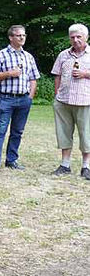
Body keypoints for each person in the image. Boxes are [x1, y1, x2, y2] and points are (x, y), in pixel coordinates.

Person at [0, 25, 39, 172]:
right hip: (6, 98)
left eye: (23, 35)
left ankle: (12, 160)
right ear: (11, 37)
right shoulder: (1, 55)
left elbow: (33, 78)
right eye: (18, 35)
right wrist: (9, 73)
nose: (22, 37)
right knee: (0, 130)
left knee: (17, 131)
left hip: (24, 99)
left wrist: (30, 96)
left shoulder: (28, 56)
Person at [50, 23, 90, 179]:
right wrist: (56, 96)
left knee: (86, 134)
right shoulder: (63, 55)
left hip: (85, 101)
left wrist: (85, 73)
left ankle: (86, 166)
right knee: (63, 134)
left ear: (86, 37)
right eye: (72, 37)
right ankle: (65, 164)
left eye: (79, 36)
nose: (75, 40)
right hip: (63, 101)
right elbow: (57, 75)